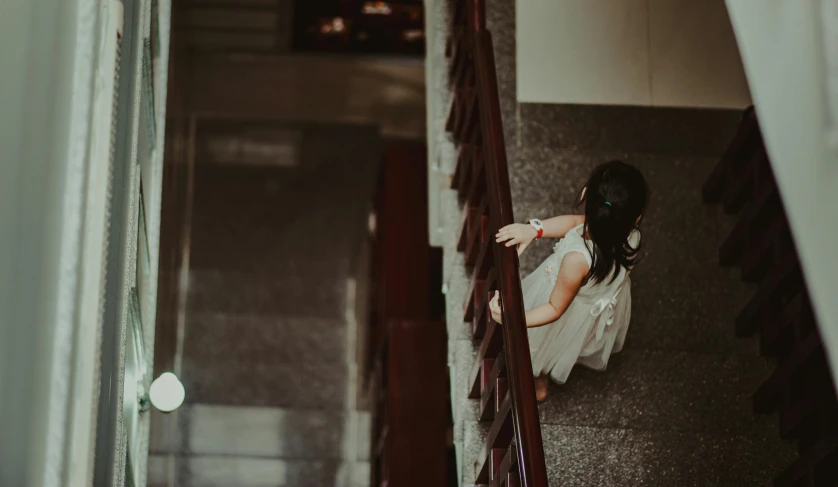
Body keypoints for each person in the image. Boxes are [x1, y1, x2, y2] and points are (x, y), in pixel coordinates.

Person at [489, 160, 649, 401]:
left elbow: (554, 308)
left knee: (545, 345)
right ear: (635, 218)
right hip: (595, 302)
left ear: (585, 194)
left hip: (565, 306)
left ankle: (539, 379)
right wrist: (536, 229)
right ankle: (543, 374)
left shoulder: (577, 260)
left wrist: (513, 317)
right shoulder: (629, 234)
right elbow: (576, 223)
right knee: (569, 344)